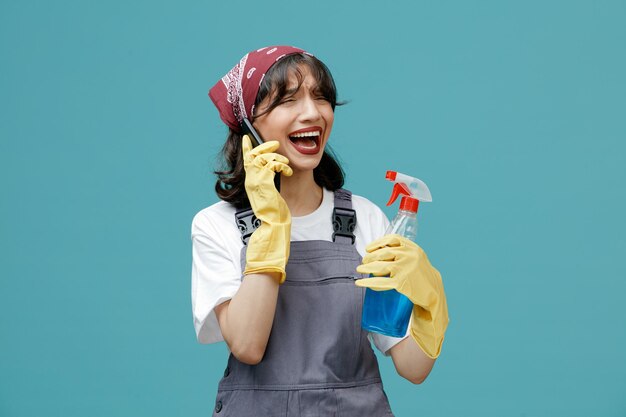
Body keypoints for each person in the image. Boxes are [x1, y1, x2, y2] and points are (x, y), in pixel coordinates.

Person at [192, 45, 449, 417]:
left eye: (321, 97)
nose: (312, 113)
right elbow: (248, 344)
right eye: (288, 100)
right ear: (249, 125)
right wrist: (272, 225)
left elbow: (413, 368)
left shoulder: (365, 218)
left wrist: (432, 304)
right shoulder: (216, 225)